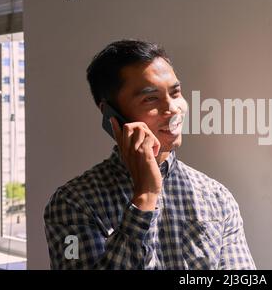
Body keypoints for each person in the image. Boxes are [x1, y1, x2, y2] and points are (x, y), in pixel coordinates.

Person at [43, 40, 256, 270]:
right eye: (151, 98)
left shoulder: (217, 198)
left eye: (175, 93)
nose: (173, 108)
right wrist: (144, 196)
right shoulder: (72, 204)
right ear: (111, 115)